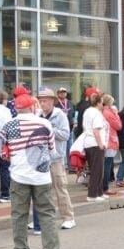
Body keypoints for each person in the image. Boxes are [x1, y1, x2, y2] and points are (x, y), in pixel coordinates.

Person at [0, 93, 64, 249]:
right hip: (42, 177)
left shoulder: (8, 125)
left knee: (19, 215)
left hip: (19, 176)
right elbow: (51, 150)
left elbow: (0, 151)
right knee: (47, 213)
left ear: (16, 108)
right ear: (32, 107)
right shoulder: (45, 123)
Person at [37, 88, 76, 229]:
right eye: (40, 100)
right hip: (40, 158)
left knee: (60, 188)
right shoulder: (37, 114)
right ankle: (40, 219)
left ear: (52, 101)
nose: (42, 103)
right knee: (41, 190)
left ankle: (68, 217)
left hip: (55, 158)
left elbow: (66, 135)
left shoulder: (59, 115)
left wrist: (48, 129)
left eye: (45, 100)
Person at [80, 91, 108, 201]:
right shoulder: (96, 113)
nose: (103, 105)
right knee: (97, 170)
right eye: (102, 102)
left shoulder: (88, 111)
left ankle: (99, 192)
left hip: (89, 143)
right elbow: (96, 130)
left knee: (96, 169)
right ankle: (92, 195)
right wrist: (101, 144)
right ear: (99, 102)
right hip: (95, 144)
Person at [100, 94, 122, 196]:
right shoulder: (108, 113)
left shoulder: (101, 112)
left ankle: (102, 187)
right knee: (107, 165)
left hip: (104, 140)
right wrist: (116, 113)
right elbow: (118, 126)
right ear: (109, 103)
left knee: (105, 165)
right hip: (110, 141)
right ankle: (105, 187)